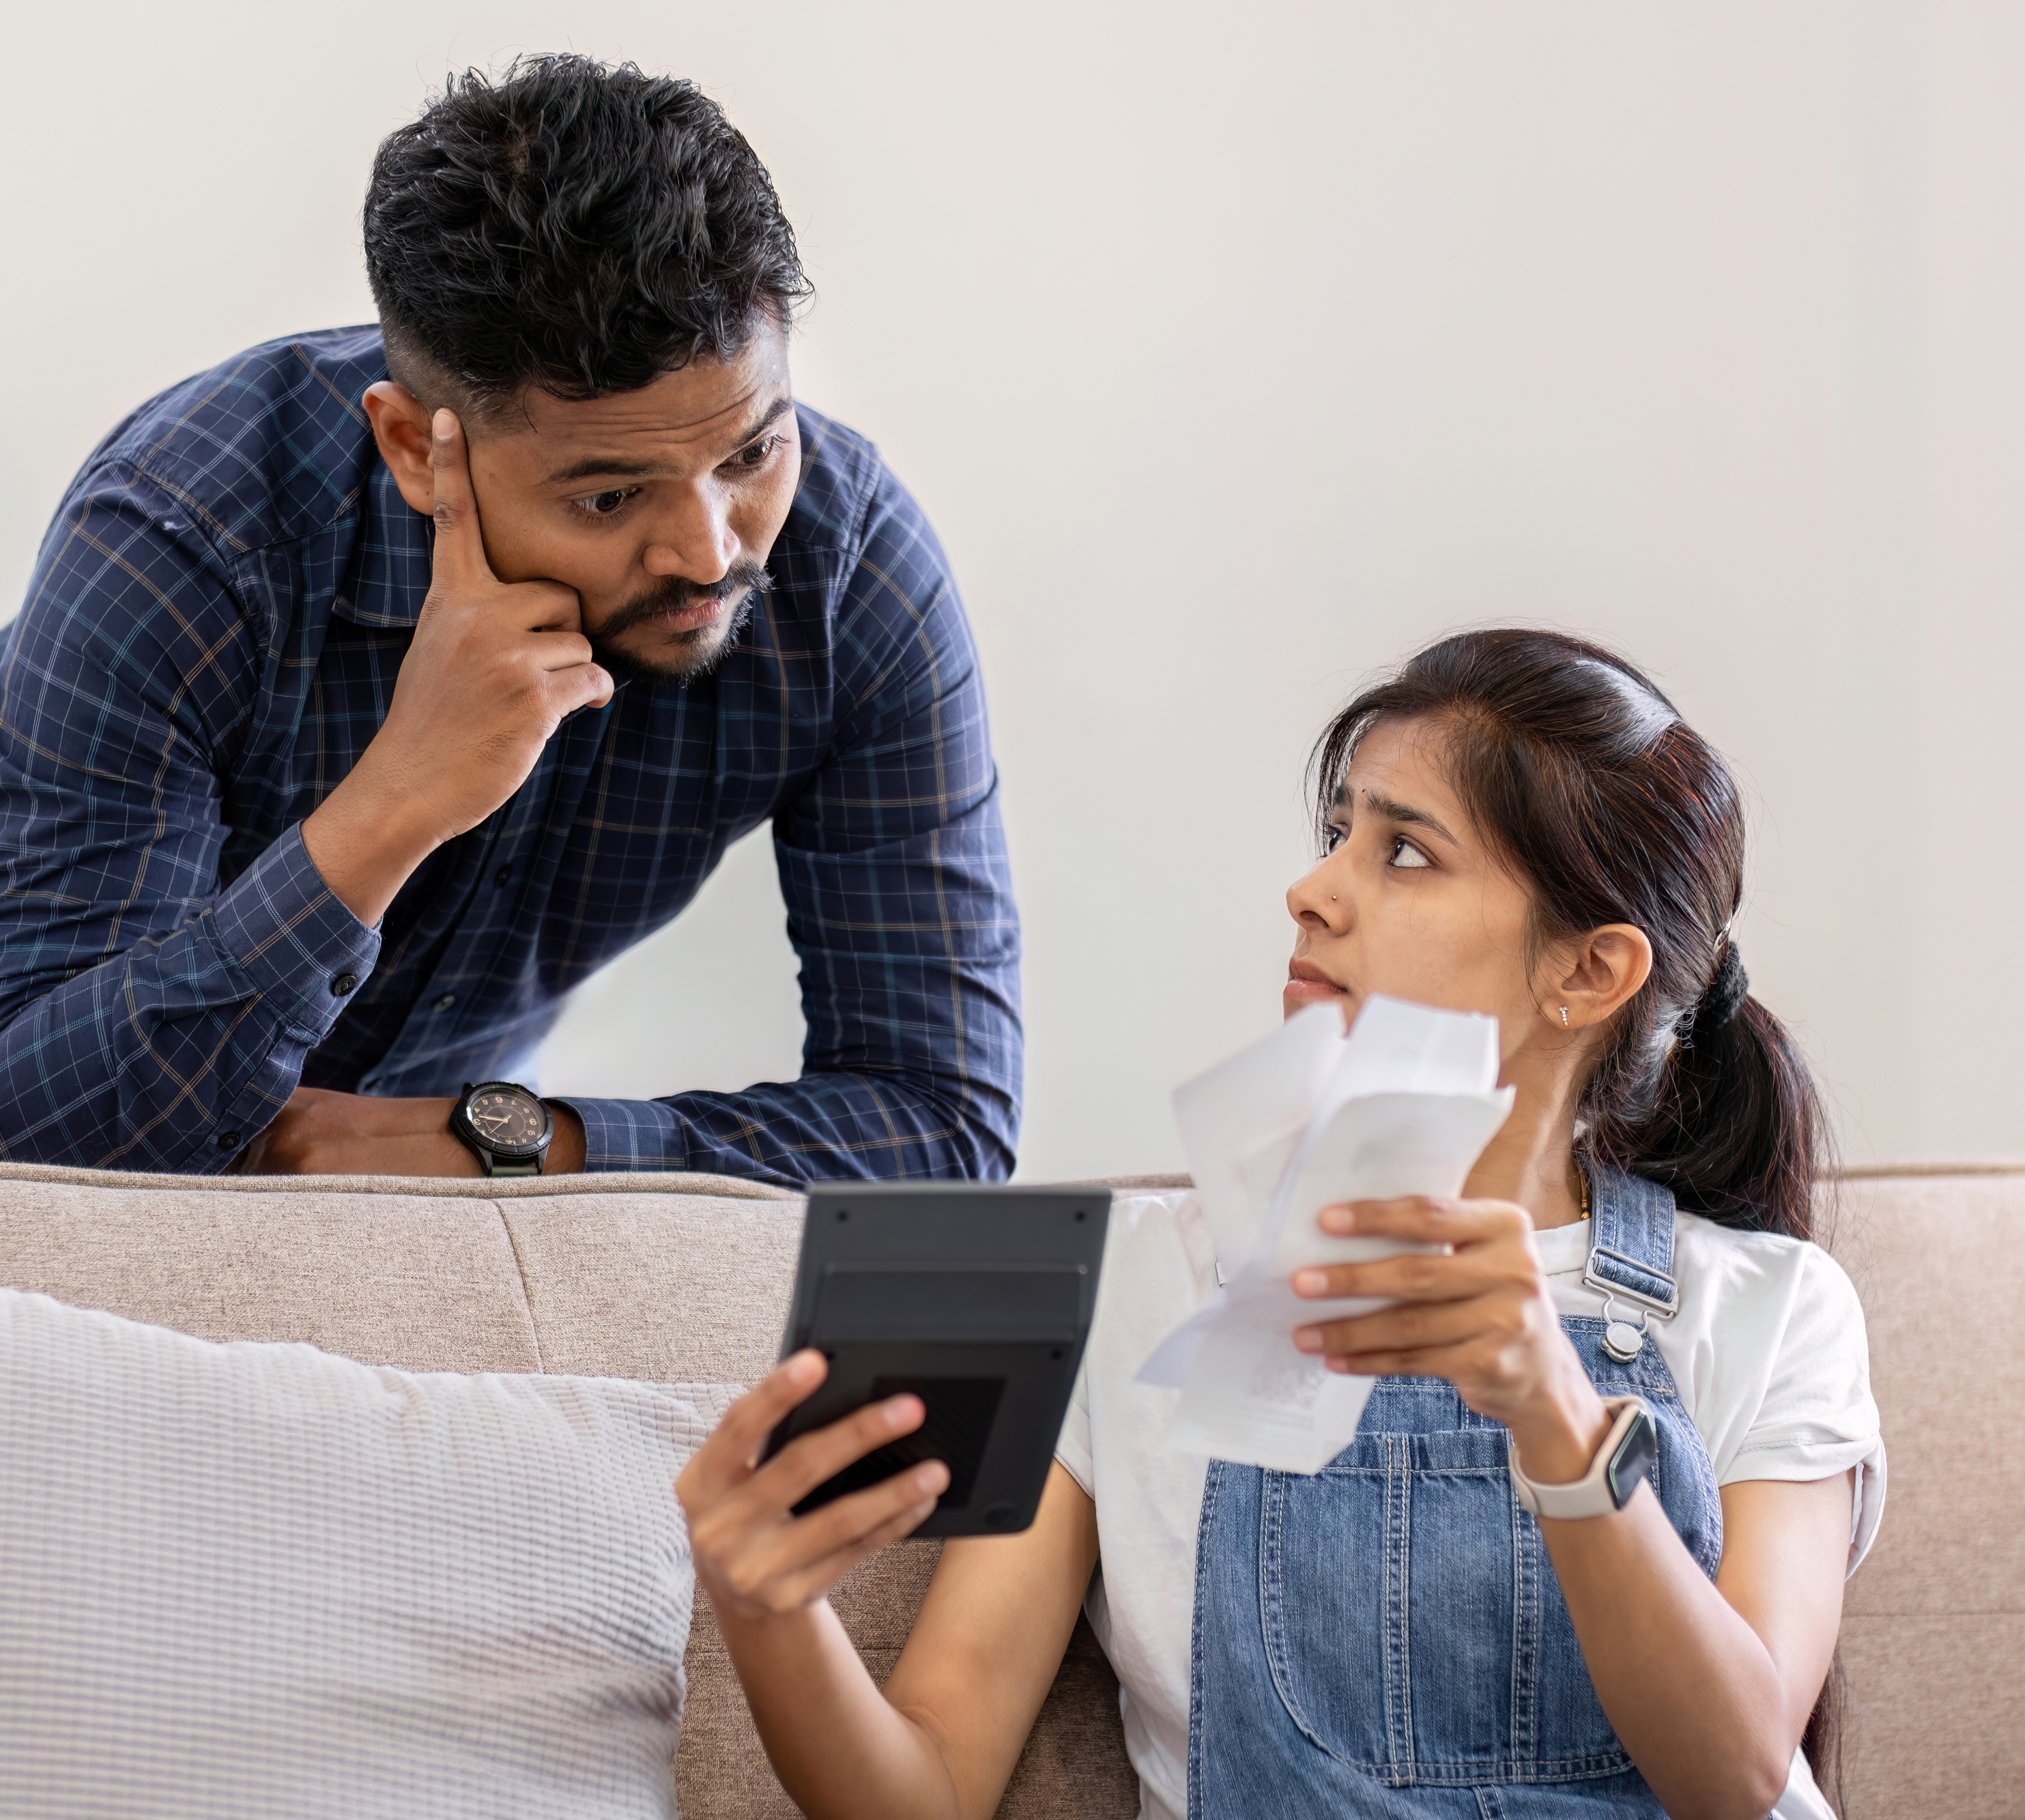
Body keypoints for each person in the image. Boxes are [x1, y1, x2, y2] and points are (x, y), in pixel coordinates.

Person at [677, 629, 1884, 1819]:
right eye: (1336, 835)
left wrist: (1559, 1421)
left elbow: (1735, 1779)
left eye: (1405, 853)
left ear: (1588, 972)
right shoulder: (1103, 1285)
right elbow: (927, 1786)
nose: (1310, 893)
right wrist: (769, 1612)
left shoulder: (1774, 1309)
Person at [0, 56, 1020, 1185]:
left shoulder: (853, 571)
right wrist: (399, 798)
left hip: (429, 1097)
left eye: (752, 451)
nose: (710, 548)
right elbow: (29, 1134)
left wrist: (498, 1142)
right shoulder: (191, 524)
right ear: (413, 446)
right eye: (607, 495)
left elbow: (945, 1116)